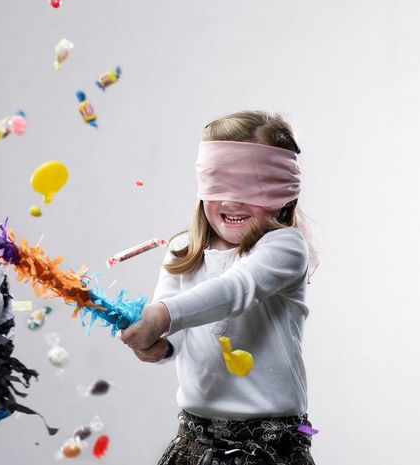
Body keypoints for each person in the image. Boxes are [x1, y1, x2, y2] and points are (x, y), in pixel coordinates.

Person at [120, 111, 318, 465]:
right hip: (194, 440)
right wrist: (157, 345)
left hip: (269, 446)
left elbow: (236, 290)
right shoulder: (182, 250)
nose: (231, 201)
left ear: (284, 194)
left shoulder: (286, 247)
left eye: (249, 186)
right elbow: (174, 329)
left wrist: (162, 317)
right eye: (219, 184)